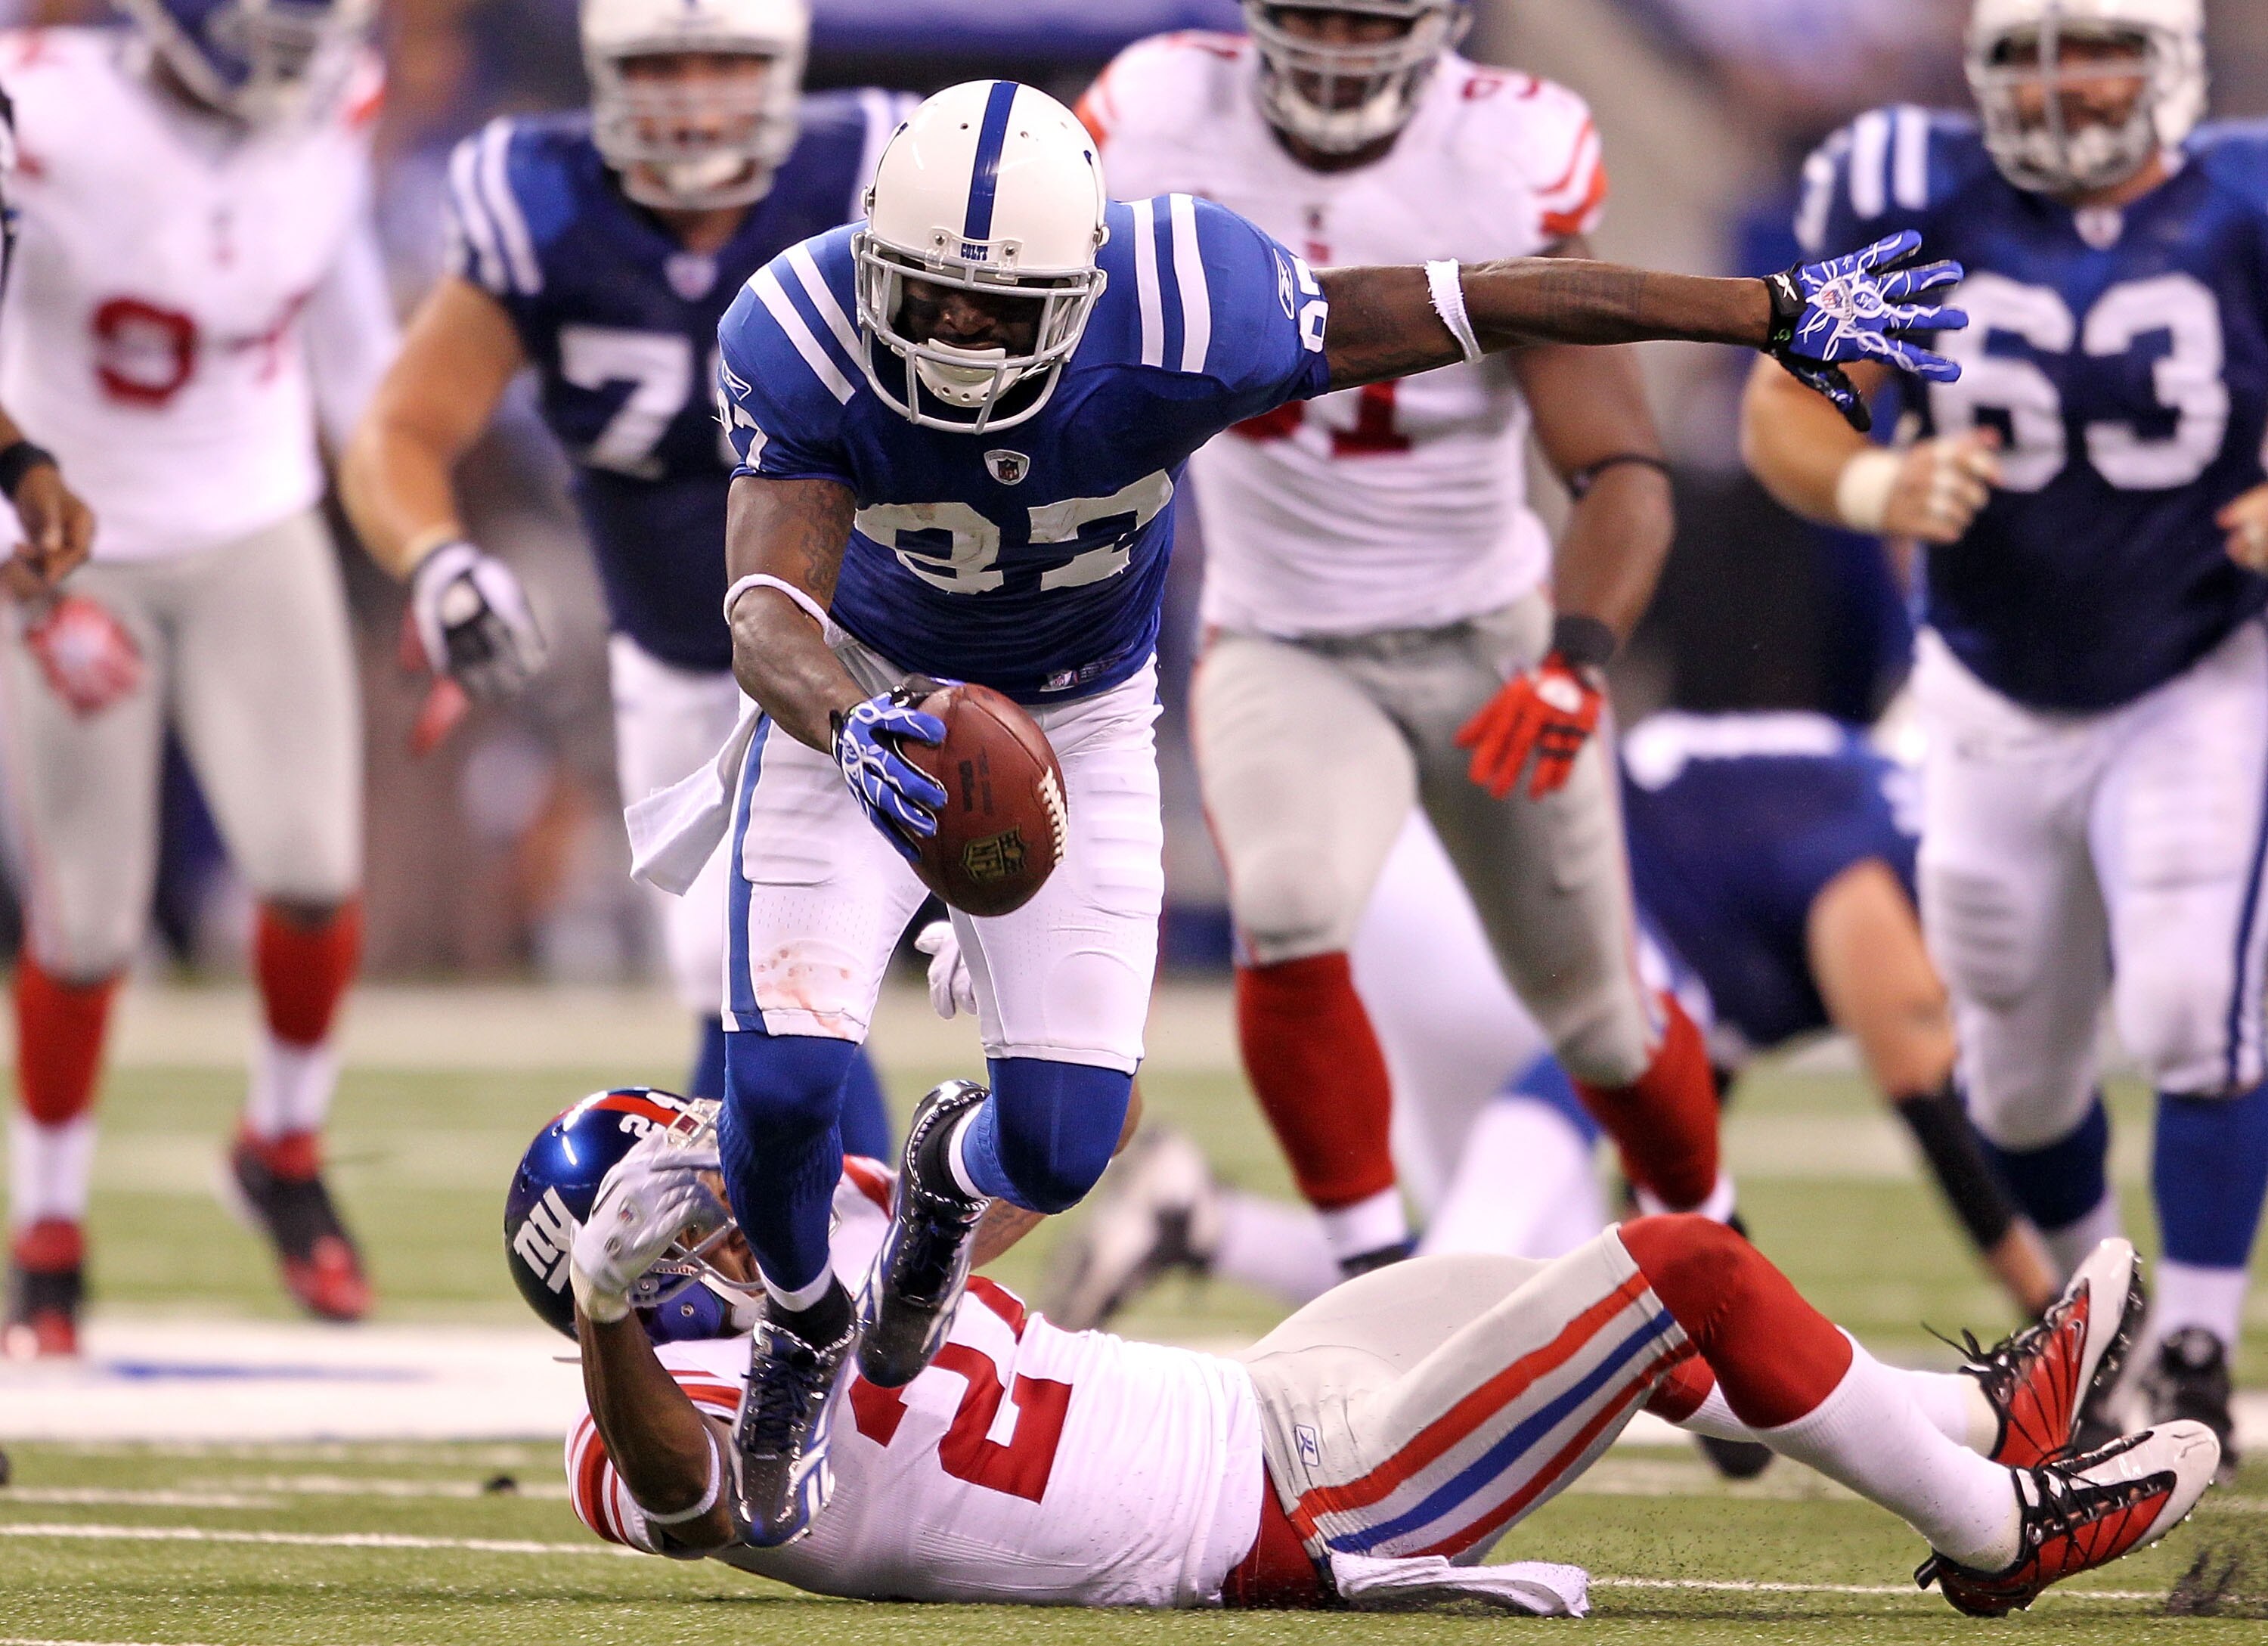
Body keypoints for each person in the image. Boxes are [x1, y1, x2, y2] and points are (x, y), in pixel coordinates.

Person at [641, 71, 1961, 1543]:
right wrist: (850, 720)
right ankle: (810, 1333)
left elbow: (1490, 300)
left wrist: (1759, 308)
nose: (954, 333)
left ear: (1078, 293)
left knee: (1069, 1141)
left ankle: (949, 1176)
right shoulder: (799, 327)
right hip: (860, 704)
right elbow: (763, 608)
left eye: (996, 308)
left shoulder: (1192, 301)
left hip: (1073, 715)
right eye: (929, 296)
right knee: (784, 1087)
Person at [507, 1088, 2217, 1616]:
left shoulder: (822, 1245)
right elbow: (686, 1493)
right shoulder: (665, 1411)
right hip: (1290, 1509)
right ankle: (2003, 1539)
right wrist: (605, 1309)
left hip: (1263, 1395)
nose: (733, 1195)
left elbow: (1038, 1171)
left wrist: (1004, 1066)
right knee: (1676, 1268)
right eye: (690, 1198)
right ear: (639, 1267)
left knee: (1522, 1280)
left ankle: (1970, 1422)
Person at [1076, 0, 1732, 1280]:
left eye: (1364, 18)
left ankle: (1712, 1239)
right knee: (1287, 902)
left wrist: (1573, 660)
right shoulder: (1156, 116)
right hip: (1284, 635)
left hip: (1486, 634)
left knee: (1599, 1010)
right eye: (1307, 12)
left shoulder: (1502, 154)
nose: (1330, 44)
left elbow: (1619, 467)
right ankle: (1379, 1281)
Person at [1740, 0, 2268, 1473]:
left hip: (2198, 669)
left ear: (2163, 56)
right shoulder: (1907, 187)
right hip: (1981, 682)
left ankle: (2204, 1342)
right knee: (2016, 1082)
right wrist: (1872, 491)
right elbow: (1784, 411)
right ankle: (2111, 1329)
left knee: (2185, 1011)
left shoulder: (2247, 198)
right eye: (2031, 54)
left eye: (2092, 48)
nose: (2061, 86)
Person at [339, 0, 903, 1142]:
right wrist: (440, 559)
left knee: (788, 980)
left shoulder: (872, 180)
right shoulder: (543, 202)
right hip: (671, 645)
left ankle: (853, 1273)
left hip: (855, 641)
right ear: (603, 74)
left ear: (784, 69)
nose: (694, 101)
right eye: (660, 67)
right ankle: (796, 1276)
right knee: (726, 975)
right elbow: (397, 432)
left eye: (725, 65)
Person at [1033, 712, 2055, 1337]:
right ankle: (1371, 1400)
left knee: (1539, 1291)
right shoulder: (1878, 843)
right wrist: (2045, 1307)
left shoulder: (1839, 794)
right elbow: (1923, 1084)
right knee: (1498, 1301)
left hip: (1434, 877)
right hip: (1494, 892)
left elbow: (1670, 1126)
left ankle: (1202, 1219)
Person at [0, 0, 395, 1353]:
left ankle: (282, 1147)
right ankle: (44, 1236)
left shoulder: (337, 106)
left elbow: (353, 347)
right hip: (72, 536)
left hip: (254, 516)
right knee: (88, 920)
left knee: (309, 868)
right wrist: (25, 575)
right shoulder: (41, 105)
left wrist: (424, 548)